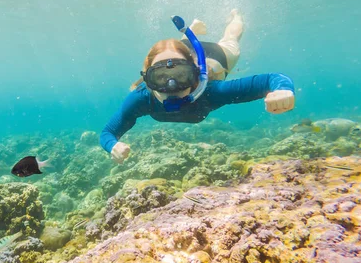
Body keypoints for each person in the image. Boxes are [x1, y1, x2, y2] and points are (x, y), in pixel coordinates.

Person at [100, 10, 295, 163]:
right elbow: (108, 133)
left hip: (217, 58)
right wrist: (112, 146)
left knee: (231, 40)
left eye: (181, 75)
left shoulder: (212, 91)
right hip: (189, 55)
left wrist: (283, 89)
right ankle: (189, 34)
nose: (172, 86)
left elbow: (273, 78)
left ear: (195, 73)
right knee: (174, 54)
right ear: (147, 79)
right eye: (160, 77)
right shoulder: (142, 99)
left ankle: (236, 16)